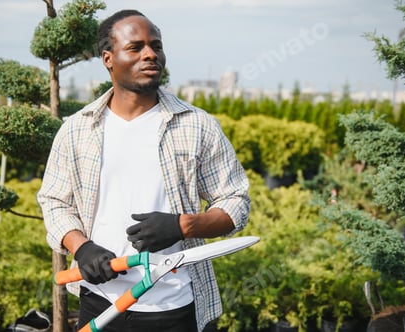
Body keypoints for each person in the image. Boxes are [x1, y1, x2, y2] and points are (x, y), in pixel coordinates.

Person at [37, 9, 250, 332]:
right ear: (108, 58)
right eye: (135, 47)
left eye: (156, 46)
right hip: (99, 301)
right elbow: (54, 201)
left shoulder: (197, 126)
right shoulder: (77, 129)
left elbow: (236, 201)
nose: (150, 54)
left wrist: (183, 225)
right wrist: (82, 247)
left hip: (174, 306)